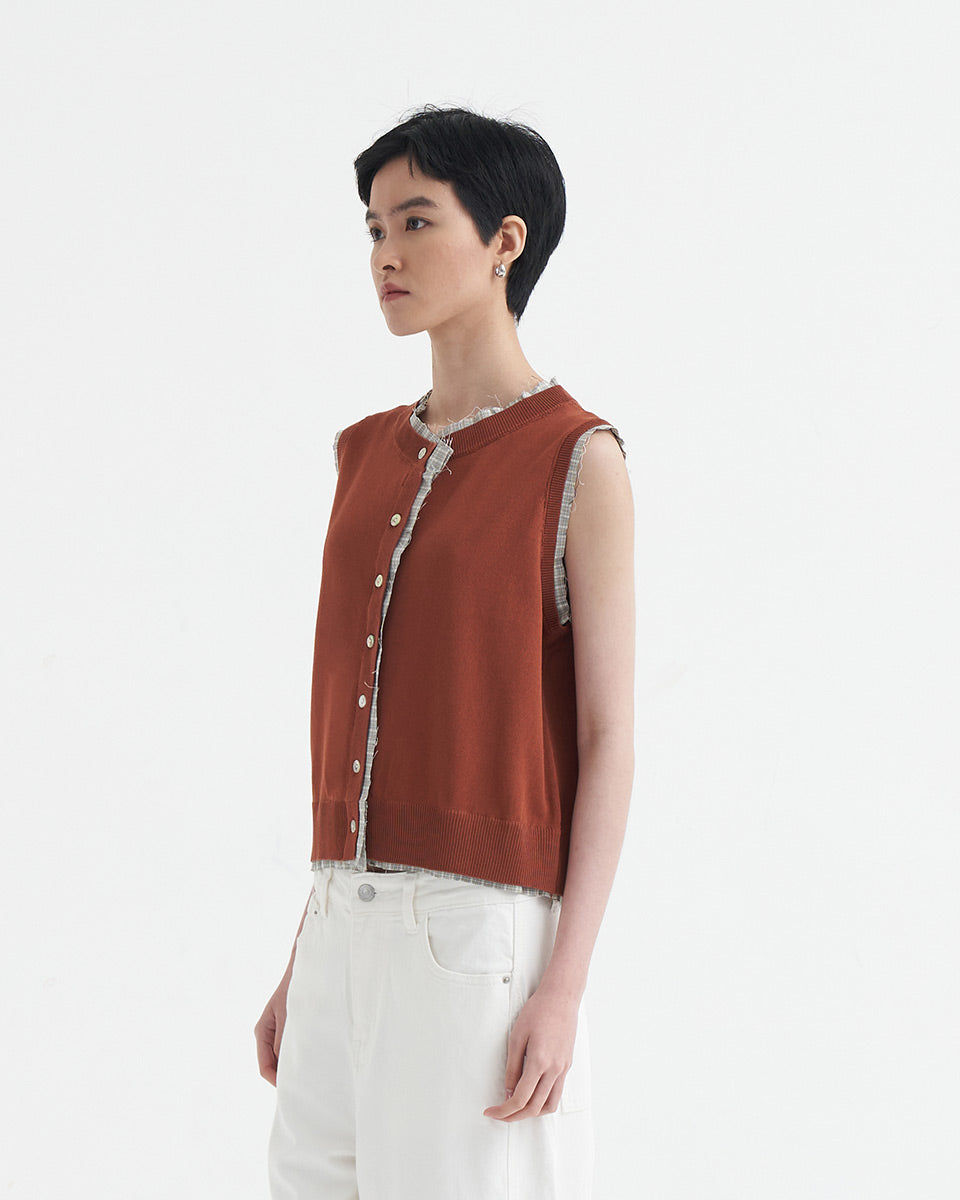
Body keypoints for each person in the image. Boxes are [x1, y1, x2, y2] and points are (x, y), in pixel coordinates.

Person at [254, 104, 635, 1200]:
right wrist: (309, 952)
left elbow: (608, 738)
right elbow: (366, 722)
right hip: (341, 924)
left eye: (416, 222)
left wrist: (563, 987)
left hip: (475, 937)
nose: (386, 254)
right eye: (374, 229)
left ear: (506, 240)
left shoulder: (576, 458)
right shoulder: (362, 454)